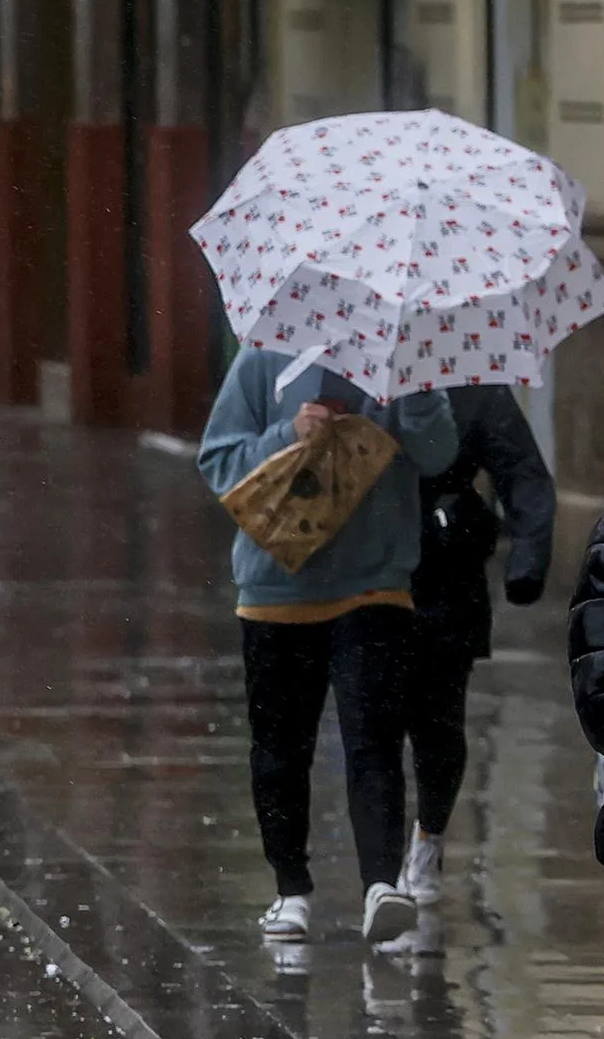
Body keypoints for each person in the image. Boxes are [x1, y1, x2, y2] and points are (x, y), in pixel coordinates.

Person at [198, 349, 456, 946]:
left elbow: (440, 453)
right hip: (275, 584)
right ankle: (291, 891)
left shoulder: (409, 355)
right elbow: (218, 460)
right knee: (281, 746)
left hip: (376, 584)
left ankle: (380, 886)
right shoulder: (266, 356)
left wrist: (414, 398)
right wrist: (289, 434)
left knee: (376, 739)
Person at [400, 386, 554, 904]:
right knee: (370, 723)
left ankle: (428, 835)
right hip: (364, 569)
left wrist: (528, 564)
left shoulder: (472, 380)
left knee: (438, 720)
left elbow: (522, 469)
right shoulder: (356, 364)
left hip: (447, 572)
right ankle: (379, 866)